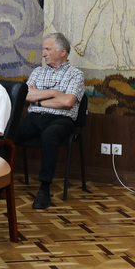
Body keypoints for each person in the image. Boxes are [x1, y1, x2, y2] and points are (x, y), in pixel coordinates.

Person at [16, 32, 86, 210]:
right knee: (7, 129)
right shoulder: (38, 72)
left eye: (47, 49)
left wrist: (38, 100)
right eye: (43, 49)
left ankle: (44, 190)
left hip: (61, 120)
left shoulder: (76, 75)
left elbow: (67, 102)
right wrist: (54, 93)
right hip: (35, 118)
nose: (43, 54)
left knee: (50, 135)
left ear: (62, 52)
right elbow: (25, 96)